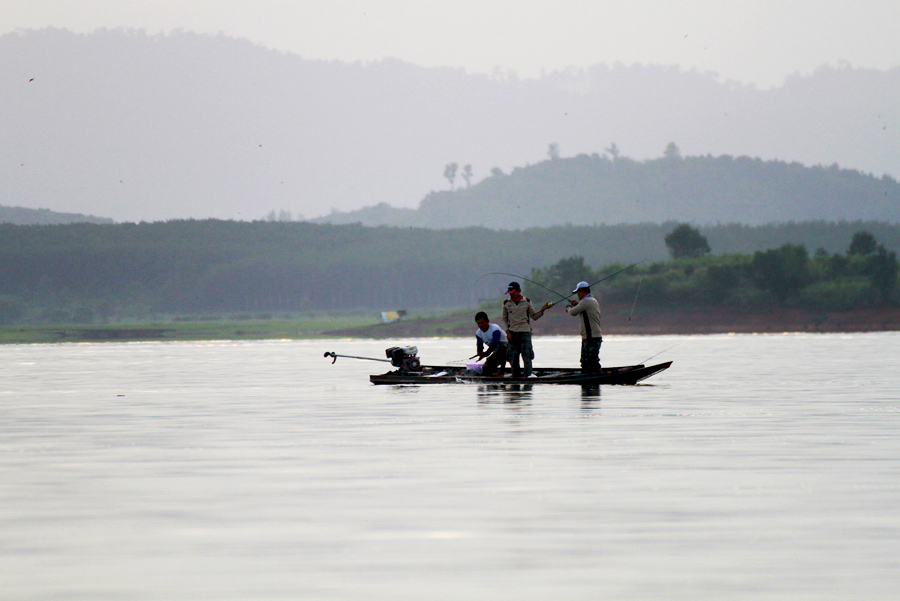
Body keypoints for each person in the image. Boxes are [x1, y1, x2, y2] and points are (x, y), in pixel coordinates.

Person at [501, 281, 550, 378]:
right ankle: (515, 375)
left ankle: (528, 375)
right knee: (513, 357)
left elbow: (534, 317)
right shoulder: (506, 303)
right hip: (513, 333)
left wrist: (543, 309)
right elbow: (504, 319)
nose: (511, 295)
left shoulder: (527, 302)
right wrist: (507, 332)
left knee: (527, 355)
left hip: (525, 333)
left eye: (513, 293)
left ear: (519, 291)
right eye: (510, 293)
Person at [566, 280, 602, 373]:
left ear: (582, 291)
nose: (577, 295)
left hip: (591, 336)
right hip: (592, 336)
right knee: (587, 361)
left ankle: (595, 378)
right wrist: (578, 305)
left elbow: (573, 312)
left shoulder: (586, 301)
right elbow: (585, 309)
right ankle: (594, 376)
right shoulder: (592, 300)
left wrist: (568, 308)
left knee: (590, 361)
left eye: (578, 292)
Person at [471, 311, 508, 376]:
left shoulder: (495, 329)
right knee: (485, 369)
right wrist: (480, 353)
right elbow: (479, 345)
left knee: (501, 350)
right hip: (496, 350)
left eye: (482, 323)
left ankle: (502, 371)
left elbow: (495, 344)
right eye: (478, 323)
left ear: (487, 321)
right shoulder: (478, 333)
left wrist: (485, 354)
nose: (480, 325)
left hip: (507, 348)